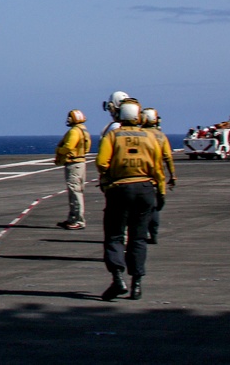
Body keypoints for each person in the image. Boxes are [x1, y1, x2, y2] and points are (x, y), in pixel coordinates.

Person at [96, 99, 166, 301]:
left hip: (120, 189)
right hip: (145, 190)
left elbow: (101, 163)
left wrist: (110, 177)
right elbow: (158, 169)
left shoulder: (113, 136)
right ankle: (137, 284)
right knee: (138, 238)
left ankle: (117, 278)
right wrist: (161, 193)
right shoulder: (150, 137)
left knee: (115, 235)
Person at [141, 108, 177, 244]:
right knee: (155, 207)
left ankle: (140, 235)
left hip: (143, 176)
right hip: (158, 177)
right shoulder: (161, 136)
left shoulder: (141, 134)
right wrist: (172, 175)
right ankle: (154, 234)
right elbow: (168, 157)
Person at [55, 109, 92, 229]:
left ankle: (78, 220)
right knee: (77, 191)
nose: (68, 119)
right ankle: (72, 218)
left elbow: (68, 146)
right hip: (80, 162)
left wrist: (59, 151)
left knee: (75, 192)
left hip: (74, 164)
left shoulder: (74, 131)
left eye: (70, 117)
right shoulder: (83, 130)